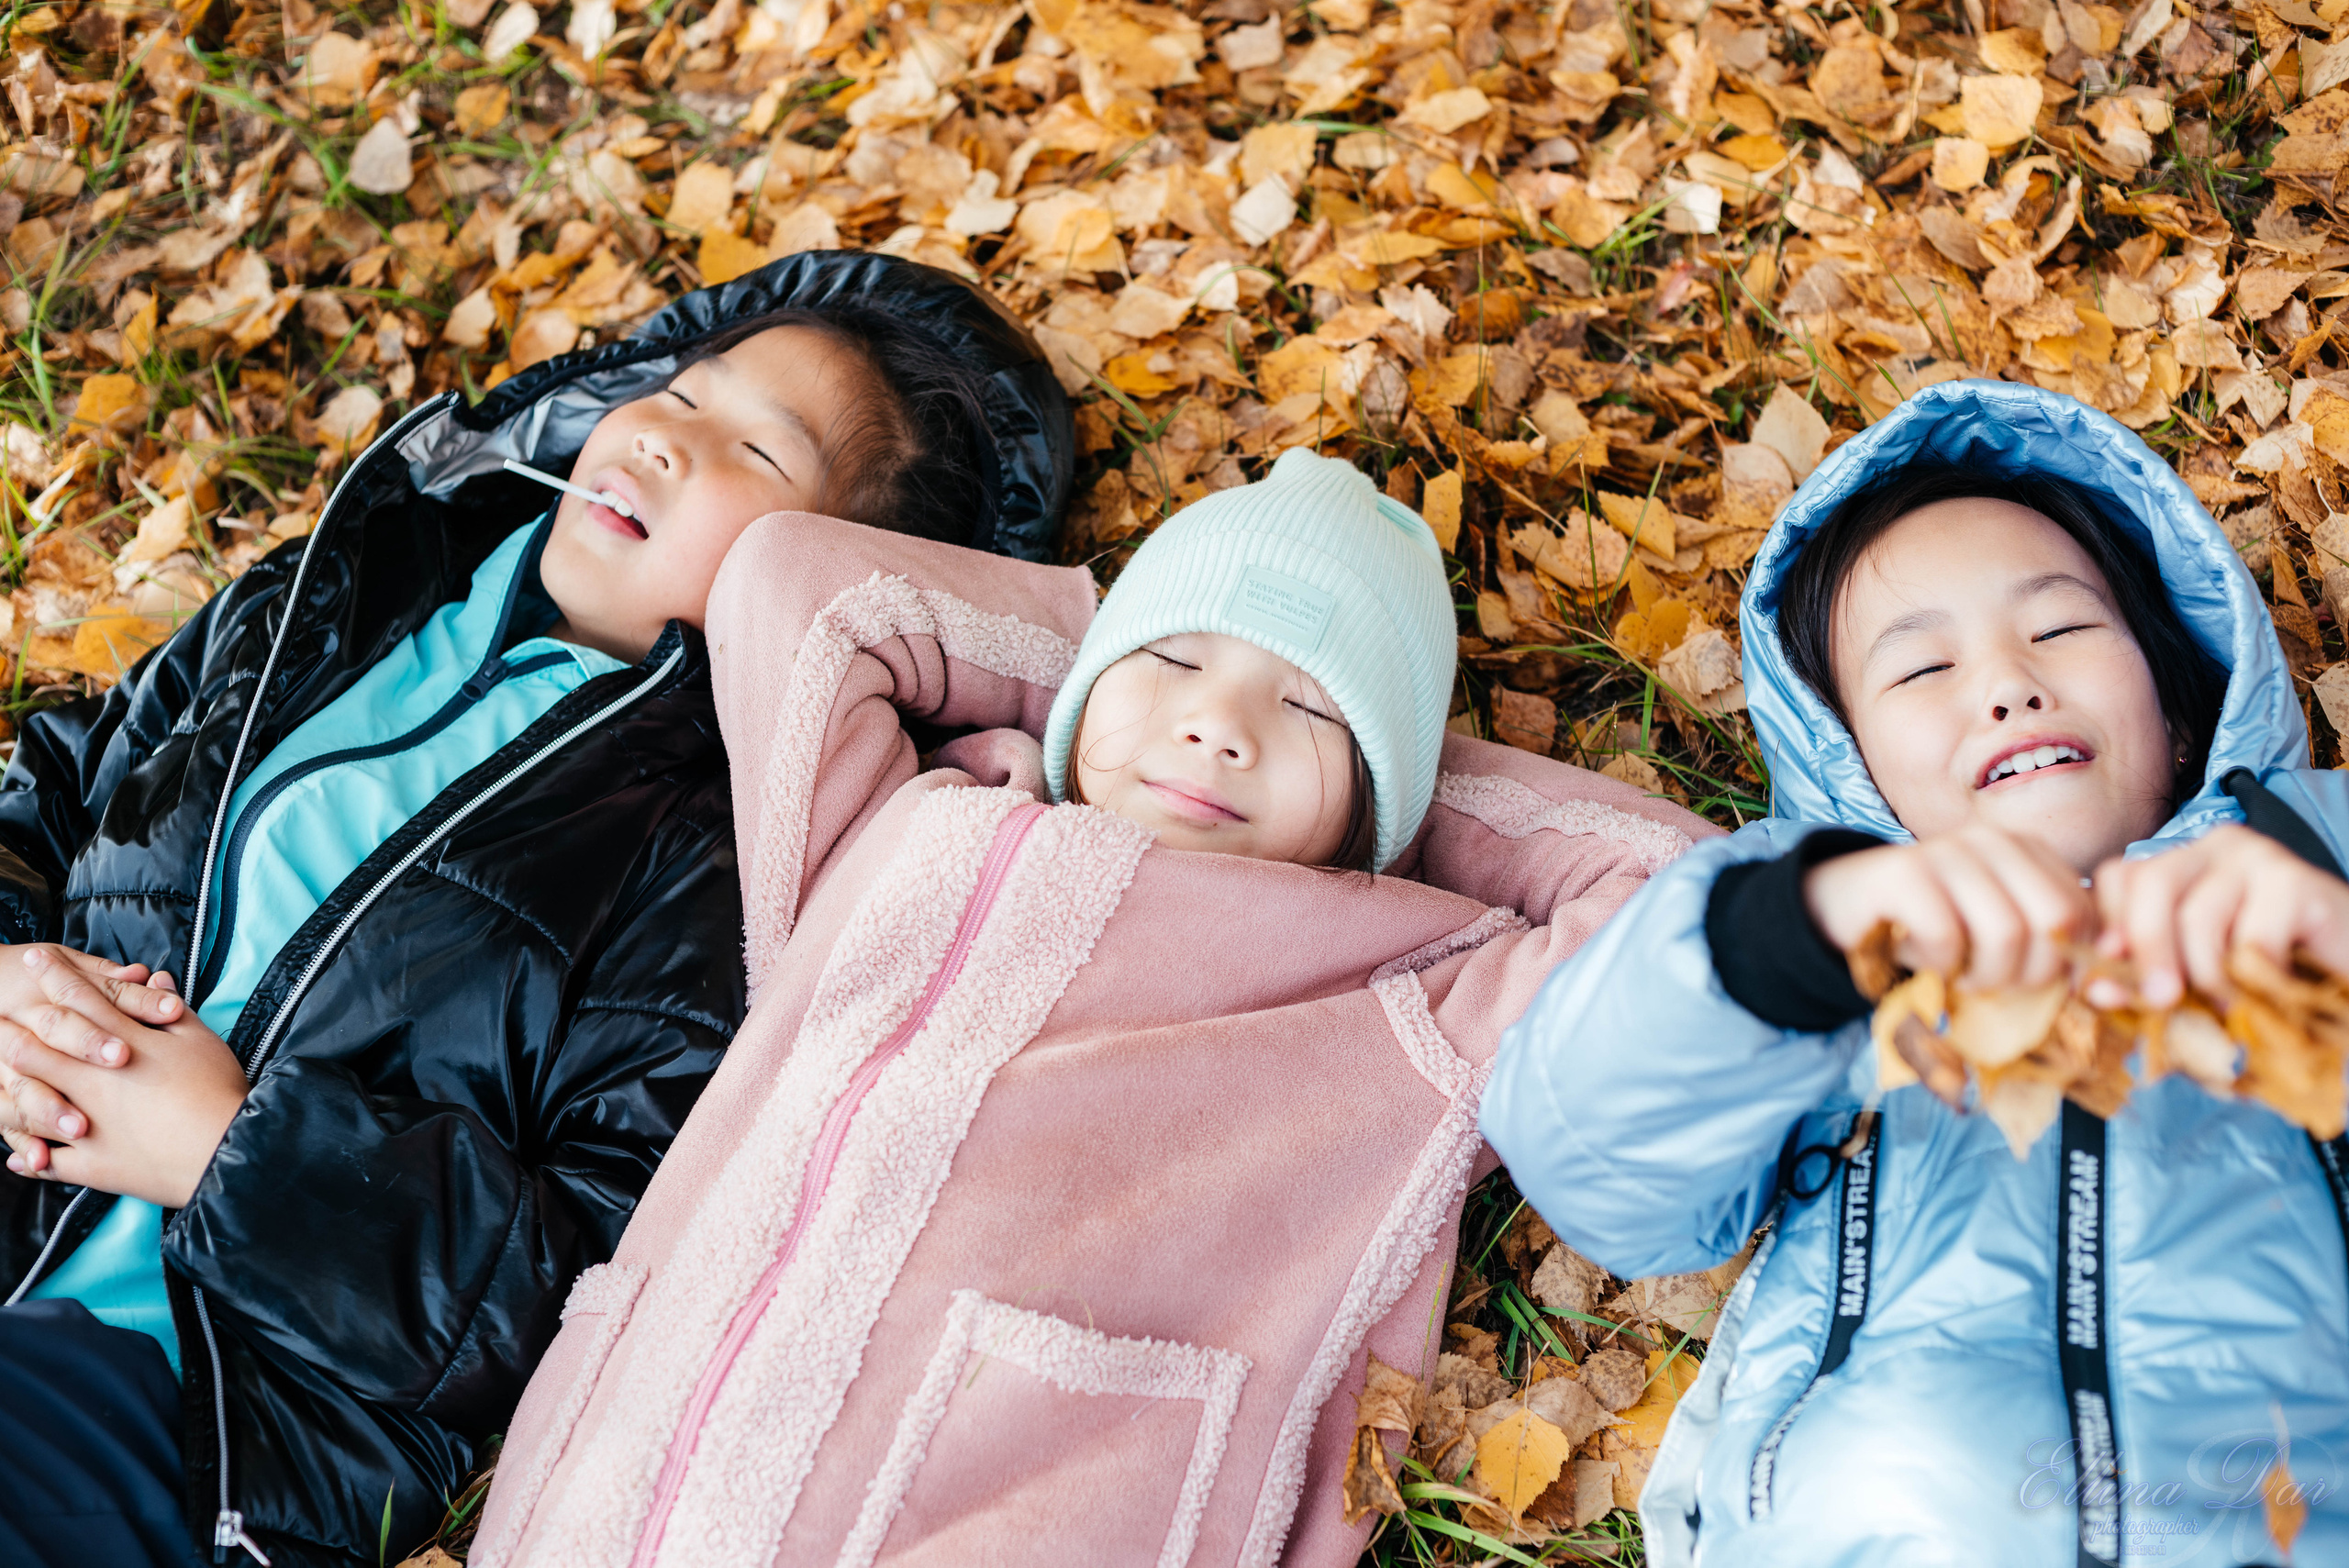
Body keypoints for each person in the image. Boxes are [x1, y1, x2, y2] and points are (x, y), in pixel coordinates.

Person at [0, 250, 1074, 1568]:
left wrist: (237, 1156)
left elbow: (579, 1294)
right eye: (681, 391)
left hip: (197, 1392)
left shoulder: (718, 863)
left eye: (754, 446)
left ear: (827, 574)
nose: (666, 439)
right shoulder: (348, 585)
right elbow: (55, 785)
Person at [467, 448, 1713, 1567]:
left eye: (1310, 710)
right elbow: (799, 584)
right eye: (1174, 662)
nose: (1217, 725)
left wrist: (1399, 798)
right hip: (621, 1481)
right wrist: (1102, 663)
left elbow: (1678, 897)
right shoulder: (892, 829)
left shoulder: (1406, 1001)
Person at [1481, 380, 2349, 1566]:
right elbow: (1594, 1167)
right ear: (1857, 770)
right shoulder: (1823, 957)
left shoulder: (2318, 846)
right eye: (1918, 671)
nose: (2006, 682)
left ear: (2178, 702)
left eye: (2060, 629)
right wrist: (1786, 945)